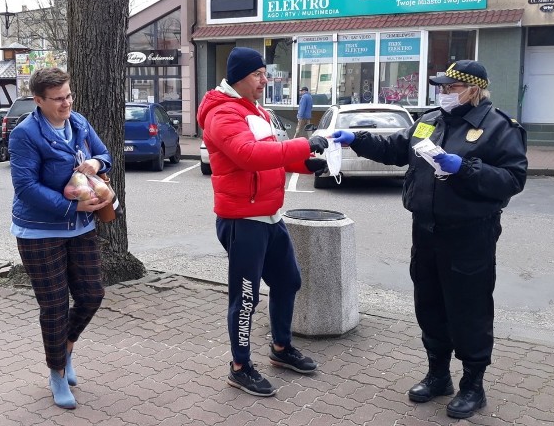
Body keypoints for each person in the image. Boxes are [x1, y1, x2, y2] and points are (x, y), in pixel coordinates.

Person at [331, 60, 527, 419]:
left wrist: (465, 168)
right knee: (430, 305)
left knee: (469, 309)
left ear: (473, 90)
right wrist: (355, 139)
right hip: (425, 230)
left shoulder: (499, 127)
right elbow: (395, 147)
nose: (443, 94)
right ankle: (438, 375)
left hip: (470, 234)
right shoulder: (430, 121)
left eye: (450, 88)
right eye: (441, 88)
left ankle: (473, 385)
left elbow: (512, 179)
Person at [196, 47, 329, 397]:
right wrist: (303, 146)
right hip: (242, 221)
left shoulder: (257, 111)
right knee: (245, 298)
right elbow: (249, 155)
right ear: (240, 77)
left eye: (264, 73)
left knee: (289, 281)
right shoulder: (222, 114)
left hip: (270, 215)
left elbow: (273, 155)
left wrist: (305, 165)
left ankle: (281, 349)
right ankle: (240, 367)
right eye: (258, 74)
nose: (264, 80)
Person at [8, 67, 113, 409]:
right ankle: (56, 373)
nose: (66, 103)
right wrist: (73, 208)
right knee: (53, 306)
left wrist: (96, 164)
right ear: (38, 101)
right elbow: (25, 187)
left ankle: (64, 349)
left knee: (92, 295)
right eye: (58, 99)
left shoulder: (78, 122)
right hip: (39, 231)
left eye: (69, 95)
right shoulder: (25, 134)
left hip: (80, 229)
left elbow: (104, 154)